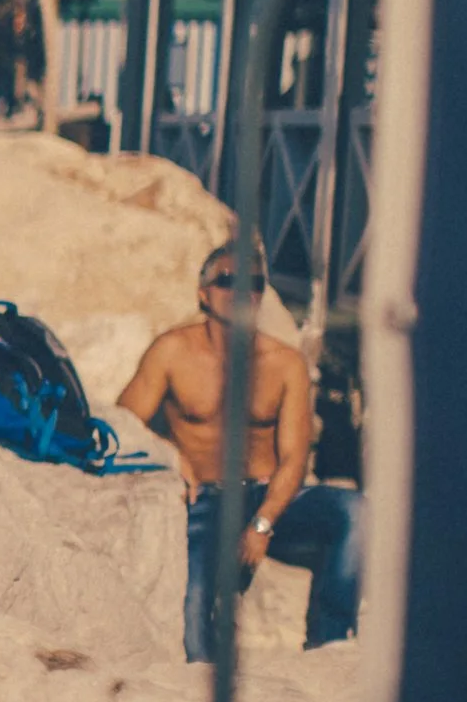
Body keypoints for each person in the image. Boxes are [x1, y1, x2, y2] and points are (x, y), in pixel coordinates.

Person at [116, 244, 365, 662]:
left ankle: (330, 642)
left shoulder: (284, 363)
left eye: (255, 284)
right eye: (228, 281)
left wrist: (263, 523)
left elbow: (294, 457)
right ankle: (200, 669)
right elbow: (123, 422)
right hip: (204, 499)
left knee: (357, 511)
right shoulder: (173, 352)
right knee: (191, 606)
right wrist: (172, 454)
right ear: (203, 293)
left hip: (266, 495)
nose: (243, 292)